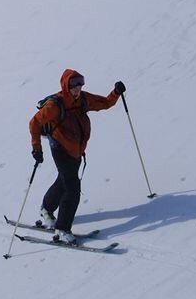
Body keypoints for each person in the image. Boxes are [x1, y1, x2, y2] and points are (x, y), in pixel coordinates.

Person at [28, 69, 126, 241]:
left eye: (80, 83)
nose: (78, 88)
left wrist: (116, 93)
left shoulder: (83, 100)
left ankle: (46, 208)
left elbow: (104, 103)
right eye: (74, 84)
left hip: (77, 149)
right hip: (60, 147)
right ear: (66, 85)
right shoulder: (55, 105)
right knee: (73, 189)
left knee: (64, 180)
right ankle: (63, 229)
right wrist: (37, 148)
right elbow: (35, 123)